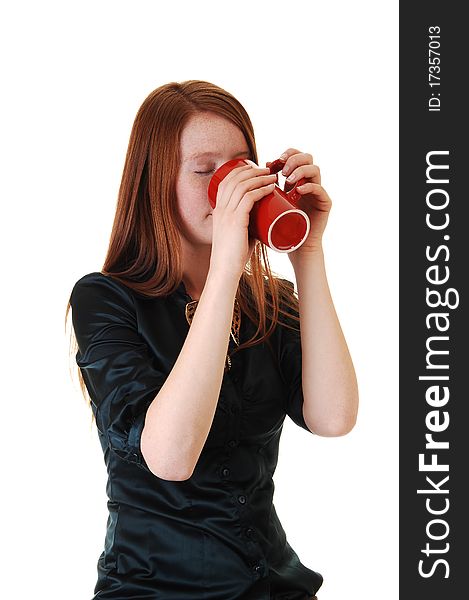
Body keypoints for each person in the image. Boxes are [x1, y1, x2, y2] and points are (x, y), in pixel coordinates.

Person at [65, 79, 359, 600]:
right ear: (155, 183)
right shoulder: (105, 300)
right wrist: (226, 266)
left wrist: (308, 254)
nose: (229, 191)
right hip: (155, 589)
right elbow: (170, 458)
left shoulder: (269, 301)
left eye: (241, 169)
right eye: (206, 172)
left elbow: (333, 418)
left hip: (272, 584)